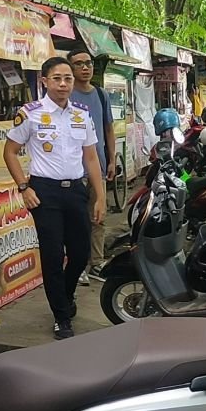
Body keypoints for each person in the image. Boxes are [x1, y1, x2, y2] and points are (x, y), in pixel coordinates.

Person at [3, 56, 105, 340]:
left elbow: (91, 157)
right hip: (43, 193)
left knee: (80, 253)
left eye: (68, 78)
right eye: (57, 78)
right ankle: (61, 316)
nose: (63, 84)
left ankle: (66, 295)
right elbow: (10, 152)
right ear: (44, 81)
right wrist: (24, 187)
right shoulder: (30, 113)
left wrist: (99, 196)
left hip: (75, 191)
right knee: (51, 255)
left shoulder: (81, 115)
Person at [66, 48, 116, 286]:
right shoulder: (65, 95)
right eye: (79, 64)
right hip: (73, 170)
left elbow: (108, 129)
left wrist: (112, 159)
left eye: (88, 63)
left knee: (98, 217)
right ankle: (79, 265)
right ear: (71, 69)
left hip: (98, 167)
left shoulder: (101, 95)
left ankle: (97, 262)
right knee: (77, 221)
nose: (85, 68)